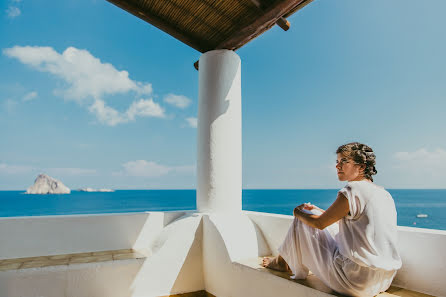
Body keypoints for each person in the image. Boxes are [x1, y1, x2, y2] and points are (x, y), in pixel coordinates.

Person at [262, 142, 402, 297]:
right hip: (382, 280)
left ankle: (281, 262)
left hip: (353, 281)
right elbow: (349, 219)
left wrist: (297, 212)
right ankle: (283, 260)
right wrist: (317, 210)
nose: (338, 166)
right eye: (337, 162)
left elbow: (320, 223)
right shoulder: (384, 194)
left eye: (344, 161)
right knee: (312, 213)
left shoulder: (352, 190)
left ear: (361, 167)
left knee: (303, 217)